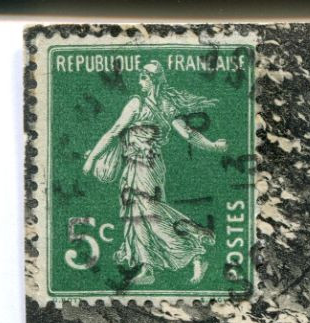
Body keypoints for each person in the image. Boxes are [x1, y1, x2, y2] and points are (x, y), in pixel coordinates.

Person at [81, 60, 228, 286]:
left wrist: (91, 159)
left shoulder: (137, 103)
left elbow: (114, 131)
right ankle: (147, 267)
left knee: (148, 212)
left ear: (150, 81)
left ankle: (194, 244)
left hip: (144, 166)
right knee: (136, 214)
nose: (139, 82)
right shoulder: (167, 104)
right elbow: (189, 135)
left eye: (142, 78)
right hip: (142, 165)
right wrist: (214, 146)